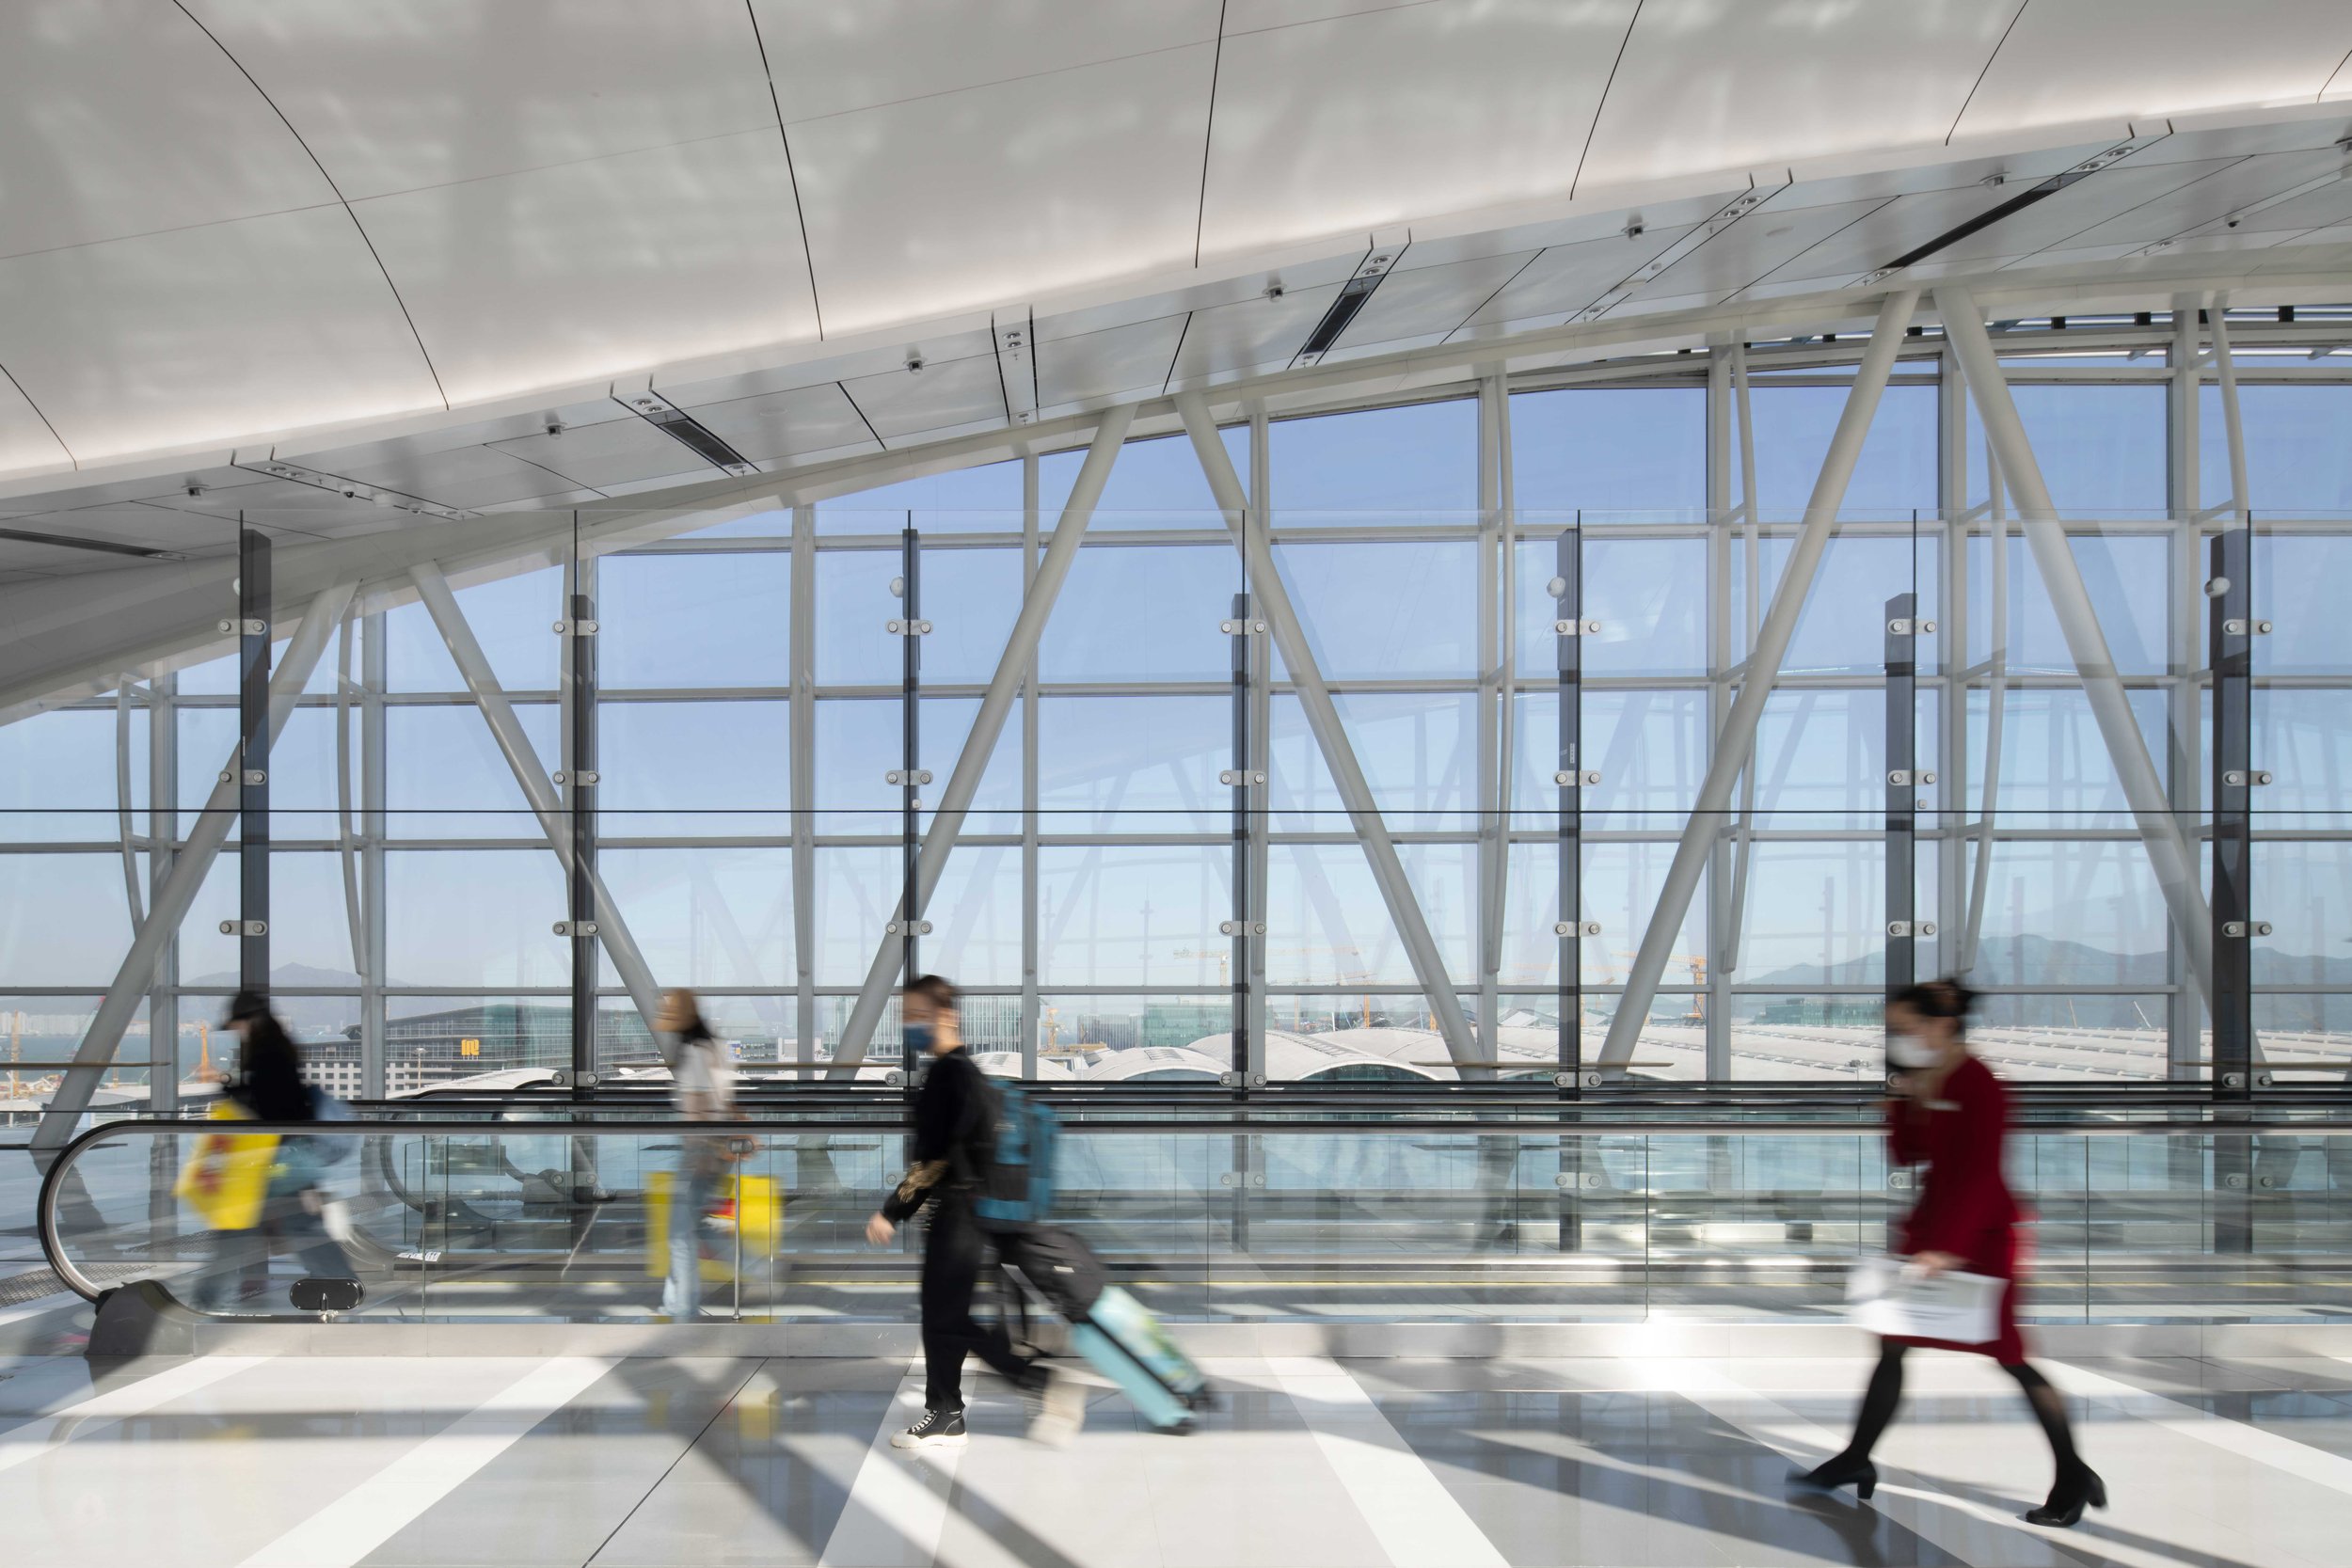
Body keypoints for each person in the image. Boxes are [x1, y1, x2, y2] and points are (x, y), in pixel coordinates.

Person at [1794, 978, 2103, 1528]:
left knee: (2009, 1356)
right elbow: (1910, 1154)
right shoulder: (1933, 1076)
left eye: (1904, 1028)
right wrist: (1903, 1101)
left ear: (1940, 1025)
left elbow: (1981, 1173)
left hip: (1976, 1238)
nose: (1895, 1037)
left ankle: (2073, 1474)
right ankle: (1856, 1457)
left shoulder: (1980, 1084)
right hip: (1935, 1231)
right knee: (1892, 1345)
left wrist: (1949, 1250)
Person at [865, 974, 1082, 1449]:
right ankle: (947, 1412)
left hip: (958, 1212)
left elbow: (934, 1158)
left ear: (946, 1015)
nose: (909, 1025)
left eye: (916, 1015)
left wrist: (892, 1210)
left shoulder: (950, 1075)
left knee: (947, 1319)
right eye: (906, 1016)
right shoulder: (964, 1071)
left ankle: (1031, 1382)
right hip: (965, 1208)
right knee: (943, 1317)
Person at [199, 991, 356, 1308]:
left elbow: (271, 1103)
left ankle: (204, 1300)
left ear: (251, 1020)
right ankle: (343, 1285)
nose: (237, 1030)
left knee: (236, 1228)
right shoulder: (278, 1046)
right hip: (290, 1156)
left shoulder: (266, 1052)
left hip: (275, 1158)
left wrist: (227, 1085)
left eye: (238, 1024)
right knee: (302, 1227)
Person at [660, 989, 735, 1320]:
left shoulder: (693, 1051)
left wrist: (701, 1152)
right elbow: (724, 1099)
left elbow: (701, 1104)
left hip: (700, 1152)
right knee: (697, 1226)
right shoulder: (712, 1046)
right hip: (712, 1150)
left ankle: (683, 1312)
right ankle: (676, 1304)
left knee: (680, 1234)